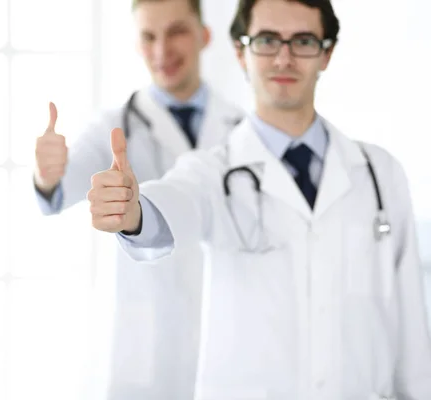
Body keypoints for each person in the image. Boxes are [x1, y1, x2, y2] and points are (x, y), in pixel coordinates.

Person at [87, 0, 431, 398]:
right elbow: (179, 200)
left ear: (327, 53)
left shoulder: (380, 174)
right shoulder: (213, 171)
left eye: (302, 40)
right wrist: (136, 212)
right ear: (240, 52)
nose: (283, 58)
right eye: (267, 40)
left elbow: (412, 336)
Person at [33, 0, 244, 398]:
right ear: (136, 44)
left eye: (177, 31)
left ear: (204, 35)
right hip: (144, 340)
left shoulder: (241, 129)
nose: (162, 50)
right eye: (149, 36)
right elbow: (60, 189)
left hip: (224, 337)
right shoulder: (112, 128)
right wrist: (47, 175)